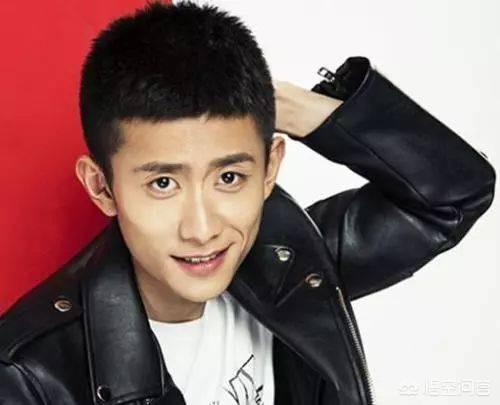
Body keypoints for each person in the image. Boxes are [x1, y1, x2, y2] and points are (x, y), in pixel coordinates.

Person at [0, 1, 495, 404]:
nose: (201, 229)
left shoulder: (292, 264)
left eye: (229, 177)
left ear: (270, 168)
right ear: (101, 187)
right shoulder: (28, 374)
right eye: (163, 184)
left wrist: (299, 109)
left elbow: (452, 194)